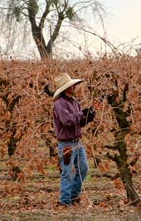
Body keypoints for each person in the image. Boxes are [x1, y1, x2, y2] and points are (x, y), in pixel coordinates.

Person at [52, 73, 96, 206]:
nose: (74, 87)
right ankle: (64, 201)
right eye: (71, 85)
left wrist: (87, 118)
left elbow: (78, 123)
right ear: (66, 88)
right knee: (67, 173)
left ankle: (72, 196)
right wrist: (82, 113)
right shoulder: (59, 104)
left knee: (83, 168)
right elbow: (67, 120)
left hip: (77, 142)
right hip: (66, 144)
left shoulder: (74, 102)